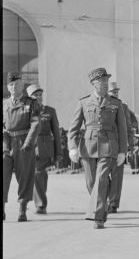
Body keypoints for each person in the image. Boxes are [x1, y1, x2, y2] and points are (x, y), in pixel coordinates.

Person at [68, 67, 127, 229]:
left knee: (101, 180)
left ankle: (98, 217)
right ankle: (101, 205)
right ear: (93, 83)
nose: (105, 84)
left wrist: (122, 150)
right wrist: (72, 147)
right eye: (101, 81)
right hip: (88, 146)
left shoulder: (115, 103)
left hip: (109, 146)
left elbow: (122, 129)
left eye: (106, 81)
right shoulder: (83, 102)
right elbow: (73, 128)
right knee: (91, 182)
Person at [3, 72, 40, 221]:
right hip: (7, 142)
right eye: (11, 84)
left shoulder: (31, 103)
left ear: (22, 85)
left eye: (17, 84)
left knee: (25, 176)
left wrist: (28, 143)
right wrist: (4, 144)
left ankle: (22, 209)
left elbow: (36, 123)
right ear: (7, 86)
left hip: (23, 142)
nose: (14, 87)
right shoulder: (4, 104)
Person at [26, 83, 62, 214]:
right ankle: (38, 203)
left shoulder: (49, 111)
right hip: (29, 147)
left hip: (44, 147)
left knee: (39, 173)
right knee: (38, 174)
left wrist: (59, 152)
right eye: (35, 95)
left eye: (40, 95)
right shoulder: (24, 111)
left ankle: (41, 204)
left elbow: (56, 133)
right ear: (29, 97)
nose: (39, 97)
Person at [106, 81, 134, 213]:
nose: (115, 94)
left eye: (116, 91)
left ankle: (113, 203)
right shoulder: (103, 104)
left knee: (117, 176)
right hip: (104, 144)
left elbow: (128, 127)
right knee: (103, 175)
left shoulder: (123, 106)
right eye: (113, 92)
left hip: (118, 144)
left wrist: (129, 146)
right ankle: (105, 198)